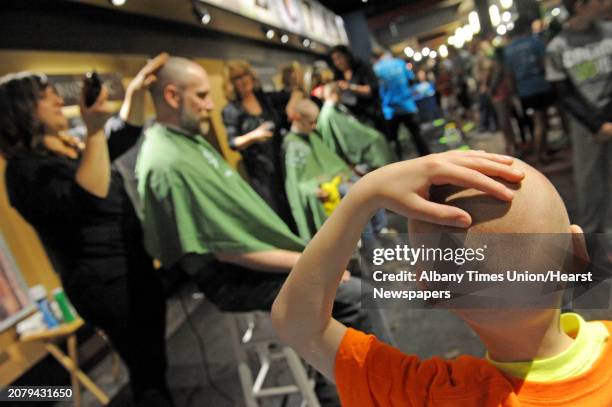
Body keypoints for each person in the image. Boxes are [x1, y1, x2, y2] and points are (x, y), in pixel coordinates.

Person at [135, 56, 391, 406]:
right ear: (172, 96)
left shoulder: (184, 140)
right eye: (201, 96)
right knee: (354, 295)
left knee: (348, 275)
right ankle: (361, 393)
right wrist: (308, 262)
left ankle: (360, 382)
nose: (210, 106)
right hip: (233, 276)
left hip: (246, 260)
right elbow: (227, 250)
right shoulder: (167, 162)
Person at [272, 153, 612, 405]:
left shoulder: (430, 395)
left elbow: (298, 323)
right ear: (577, 252)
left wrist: (365, 195)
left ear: (428, 287)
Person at [0, 55, 173, 406]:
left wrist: (134, 92)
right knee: (147, 372)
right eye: (43, 96)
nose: (55, 100)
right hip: (106, 285)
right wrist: (93, 129)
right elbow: (88, 194)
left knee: (154, 364)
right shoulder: (23, 171)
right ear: (21, 111)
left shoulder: (70, 148)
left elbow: (120, 136)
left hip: (133, 266)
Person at [546, 0, 612, 264]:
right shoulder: (557, 47)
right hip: (586, 127)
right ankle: (593, 245)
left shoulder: (608, 31)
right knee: (589, 184)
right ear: (580, 5)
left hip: (610, 118)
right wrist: (596, 125)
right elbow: (564, 94)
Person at [283, 99, 387, 241]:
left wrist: (345, 173)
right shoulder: (292, 145)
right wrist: (313, 190)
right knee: (355, 196)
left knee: (370, 184)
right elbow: (297, 182)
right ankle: (371, 247)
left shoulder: (312, 136)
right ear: (297, 118)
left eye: (316, 122)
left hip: (336, 178)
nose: (314, 126)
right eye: (311, 122)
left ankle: (381, 229)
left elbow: (331, 163)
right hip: (322, 187)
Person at [221, 61, 295, 228]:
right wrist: (255, 135)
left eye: (245, 75)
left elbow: (293, 93)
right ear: (231, 84)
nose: (243, 80)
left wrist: (291, 107)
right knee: (278, 214)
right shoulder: (232, 110)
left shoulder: (265, 98)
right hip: (261, 173)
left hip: (282, 164)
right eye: (237, 78)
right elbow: (233, 142)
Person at [505, 16, 557, 163]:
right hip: (540, 84)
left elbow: (509, 74)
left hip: (524, 89)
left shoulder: (509, 49)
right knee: (542, 121)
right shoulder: (535, 42)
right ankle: (540, 154)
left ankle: (543, 150)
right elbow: (544, 64)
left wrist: (514, 92)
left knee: (537, 121)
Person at [317, 83, 395, 171]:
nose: (340, 97)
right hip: (355, 144)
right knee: (377, 141)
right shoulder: (329, 114)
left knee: (378, 138)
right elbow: (344, 134)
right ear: (333, 94)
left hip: (360, 134)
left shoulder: (336, 109)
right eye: (339, 94)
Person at [373, 49, 430, 158]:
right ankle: (427, 158)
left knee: (394, 140)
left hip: (390, 110)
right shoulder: (400, 63)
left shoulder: (377, 68)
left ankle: (398, 164)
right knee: (417, 135)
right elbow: (411, 79)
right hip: (407, 106)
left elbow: (376, 89)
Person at [328, 45, 384, 131]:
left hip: (371, 114)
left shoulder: (362, 68)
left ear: (347, 55)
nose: (337, 62)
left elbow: (371, 90)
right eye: (334, 60)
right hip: (353, 119)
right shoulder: (338, 75)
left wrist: (350, 87)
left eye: (339, 57)